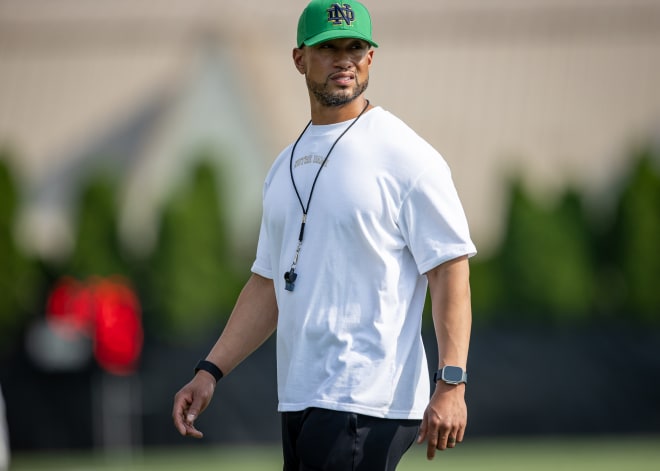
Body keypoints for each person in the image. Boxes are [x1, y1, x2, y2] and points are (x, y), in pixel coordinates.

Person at [172, 1, 476, 469]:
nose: (344, 60)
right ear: (299, 59)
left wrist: (451, 383)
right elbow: (268, 282)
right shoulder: (283, 165)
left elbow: (450, 270)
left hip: (365, 400)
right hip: (299, 396)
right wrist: (209, 372)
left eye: (355, 47)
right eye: (328, 48)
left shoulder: (406, 156)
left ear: (371, 58)